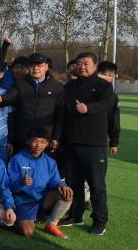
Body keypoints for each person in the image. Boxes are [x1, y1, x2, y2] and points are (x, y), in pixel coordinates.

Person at [60, 52, 116, 235]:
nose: (82, 67)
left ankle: (100, 221)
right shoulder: (70, 86)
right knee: (73, 183)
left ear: (94, 65)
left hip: (94, 145)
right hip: (71, 143)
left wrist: (88, 108)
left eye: (86, 63)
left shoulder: (104, 86)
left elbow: (107, 105)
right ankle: (76, 215)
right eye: (79, 64)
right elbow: (62, 113)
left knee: (96, 185)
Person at [8, 127, 73, 239]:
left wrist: (63, 185)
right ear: (28, 141)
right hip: (23, 201)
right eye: (35, 141)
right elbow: (8, 183)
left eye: (42, 142)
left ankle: (51, 224)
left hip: (42, 200)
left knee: (67, 193)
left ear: (47, 143)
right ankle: (20, 217)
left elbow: (55, 182)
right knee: (28, 232)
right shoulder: (17, 159)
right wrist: (21, 182)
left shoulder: (50, 162)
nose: (38, 145)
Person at [0, 53, 64, 152]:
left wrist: (56, 137)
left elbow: (60, 114)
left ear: (46, 67)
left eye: (39, 65)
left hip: (45, 138)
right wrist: (1, 99)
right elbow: (9, 97)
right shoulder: (20, 84)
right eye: (32, 65)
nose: (35, 68)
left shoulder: (57, 87)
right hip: (24, 137)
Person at [97, 61, 120, 156]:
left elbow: (114, 119)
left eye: (110, 75)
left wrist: (114, 142)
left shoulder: (113, 96)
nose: (107, 77)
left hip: (99, 139)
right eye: (104, 74)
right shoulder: (86, 88)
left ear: (114, 76)